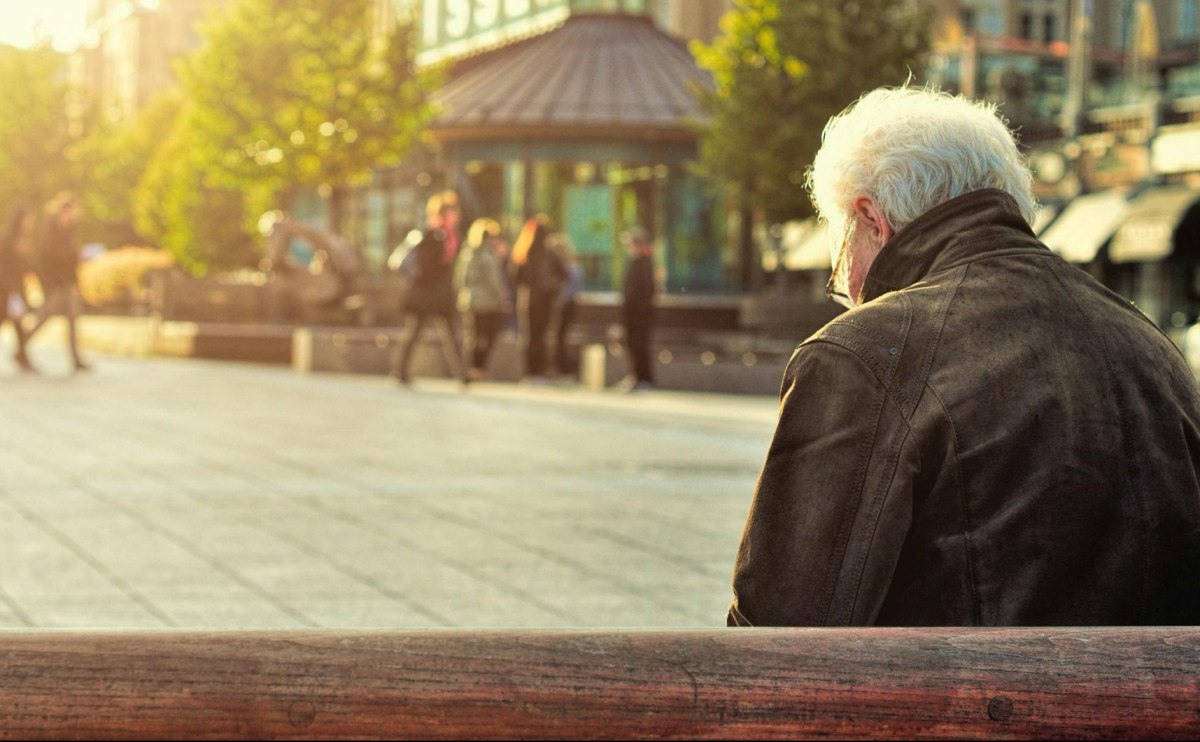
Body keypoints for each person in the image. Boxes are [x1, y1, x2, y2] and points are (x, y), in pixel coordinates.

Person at [727, 85, 1200, 628]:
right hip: (1157, 711)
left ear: (871, 219)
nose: (848, 290)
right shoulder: (1149, 344)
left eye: (840, 263)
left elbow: (782, 631)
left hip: (961, 709)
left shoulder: (862, 354)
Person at [389, 192, 469, 387]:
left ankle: (463, 374)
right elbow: (426, 266)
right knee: (416, 332)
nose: (456, 215)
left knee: (452, 334)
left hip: (441, 293)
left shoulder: (451, 236)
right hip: (427, 293)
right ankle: (400, 371)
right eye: (452, 211)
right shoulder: (430, 235)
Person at [24, 191, 90, 373]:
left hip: (66, 283)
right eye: (72, 212)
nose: (74, 216)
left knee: (72, 318)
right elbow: (46, 259)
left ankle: (76, 359)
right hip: (54, 284)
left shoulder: (68, 230)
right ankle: (21, 346)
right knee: (44, 317)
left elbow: (70, 260)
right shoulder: (49, 230)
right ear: (63, 211)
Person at [454, 218, 512, 381]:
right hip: (488, 302)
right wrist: (503, 296)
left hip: (469, 300)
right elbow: (495, 281)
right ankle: (478, 369)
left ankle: (471, 368)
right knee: (488, 335)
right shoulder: (488, 255)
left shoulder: (467, 253)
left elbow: (459, 279)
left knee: (474, 335)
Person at [511, 216, 565, 384]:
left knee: (532, 336)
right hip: (542, 299)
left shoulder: (525, 251)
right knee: (539, 336)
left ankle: (532, 371)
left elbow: (515, 278)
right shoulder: (544, 252)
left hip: (531, 299)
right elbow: (564, 274)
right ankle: (537, 371)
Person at [616, 226, 656, 391]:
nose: (629, 248)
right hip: (633, 312)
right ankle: (635, 376)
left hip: (639, 313)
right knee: (632, 344)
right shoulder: (636, 262)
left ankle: (643, 378)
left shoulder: (644, 263)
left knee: (639, 344)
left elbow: (642, 291)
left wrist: (634, 308)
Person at [0, 203, 35, 372]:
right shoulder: (7, 238)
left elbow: (24, 265)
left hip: (15, 289)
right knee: (12, 322)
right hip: (6, 289)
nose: (30, 223)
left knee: (19, 324)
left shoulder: (21, 239)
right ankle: (22, 358)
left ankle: (23, 357)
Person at [548, 232, 581, 378]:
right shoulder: (572, 266)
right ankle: (559, 367)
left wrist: (558, 302)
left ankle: (564, 368)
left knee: (561, 336)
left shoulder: (570, 267)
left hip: (565, 305)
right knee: (560, 336)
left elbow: (570, 289)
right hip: (567, 304)